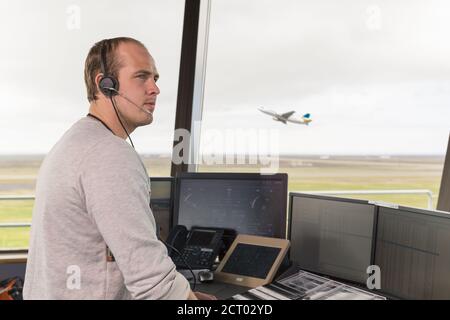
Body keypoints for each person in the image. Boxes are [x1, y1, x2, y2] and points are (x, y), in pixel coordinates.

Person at [23, 37, 215, 300]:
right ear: (105, 84)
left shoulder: (76, 143)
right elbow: (152, 284)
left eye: (155, 78)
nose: (155, 89)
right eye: (142, 77)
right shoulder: (108, 154)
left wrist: (185, 294)